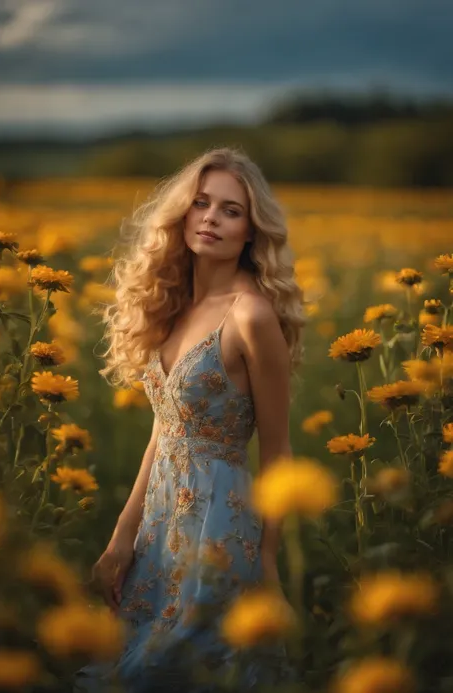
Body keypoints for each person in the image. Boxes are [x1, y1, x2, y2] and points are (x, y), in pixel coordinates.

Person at [73, 147, 305, 692]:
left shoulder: (250, 315)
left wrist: (269, 563)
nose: (211, 219)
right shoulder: (171, 306)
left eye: (231, 210)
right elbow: (164, 431)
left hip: (220, 529)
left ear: (252, 231)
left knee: (195, 669)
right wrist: (119, 540)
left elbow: (277, 453)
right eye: (201, 203)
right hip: (159, 524)